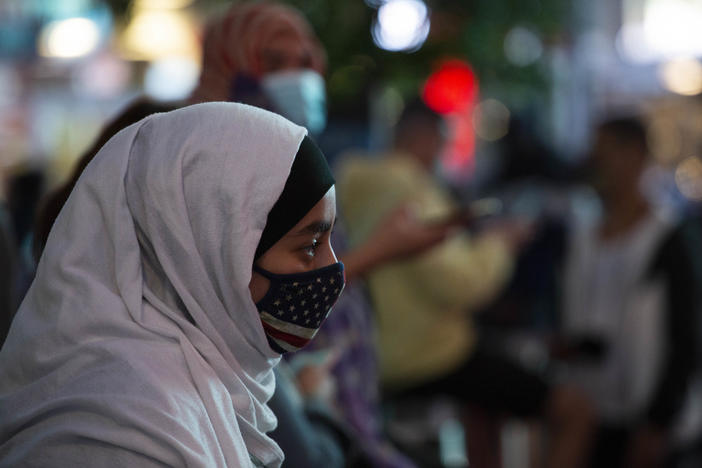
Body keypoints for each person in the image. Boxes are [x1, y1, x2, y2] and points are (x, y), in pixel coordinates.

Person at [0, 102, 345, 467]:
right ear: (215, 248)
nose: (333, 267)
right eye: (309, 246)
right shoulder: (123, 432)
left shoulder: (217, 382)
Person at [337, 100, 595, 468]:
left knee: (487, 418)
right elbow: (461, 283)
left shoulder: (352, 184)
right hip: (426, 355)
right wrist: (500, 243)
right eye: (441, 144)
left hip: (378, 356)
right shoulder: (410, 191)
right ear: (425, 139)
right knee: (574, 408)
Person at [558, 116, 701, 468]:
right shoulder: (582, 237)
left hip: (644, 420)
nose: (596, 163)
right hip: (587, 412)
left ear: (636, 156)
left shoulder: (666, 239)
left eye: (604, 152)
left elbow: (684, 337)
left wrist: (658, 421)